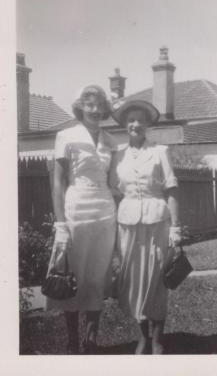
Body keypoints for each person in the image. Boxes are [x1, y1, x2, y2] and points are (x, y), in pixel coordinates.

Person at [45, 85, 117, 354]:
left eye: (100, 105)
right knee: (73, 274)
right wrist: (61, 224)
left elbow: (114, 183)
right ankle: (72, 341)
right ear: (80, 107)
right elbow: (58, 184)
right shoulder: (66, 135)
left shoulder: (111, 141)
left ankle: (91, 340)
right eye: (90, 105)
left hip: (105, 211)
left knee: (97, 276)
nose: (96, 110)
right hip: (76, 208)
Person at [110, 100, 182, 354]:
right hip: (128, 224)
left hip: (156, 221)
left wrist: (175, 228)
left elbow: (171, 190)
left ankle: (158, 338)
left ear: (148, 124)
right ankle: (142, 336)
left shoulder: (160, 151)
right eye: (131, 120)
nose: (136, 124)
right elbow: (114, 193)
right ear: (124, 124)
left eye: (141, 120)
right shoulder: (117, 155)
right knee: (134, 281)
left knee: (156, 279)